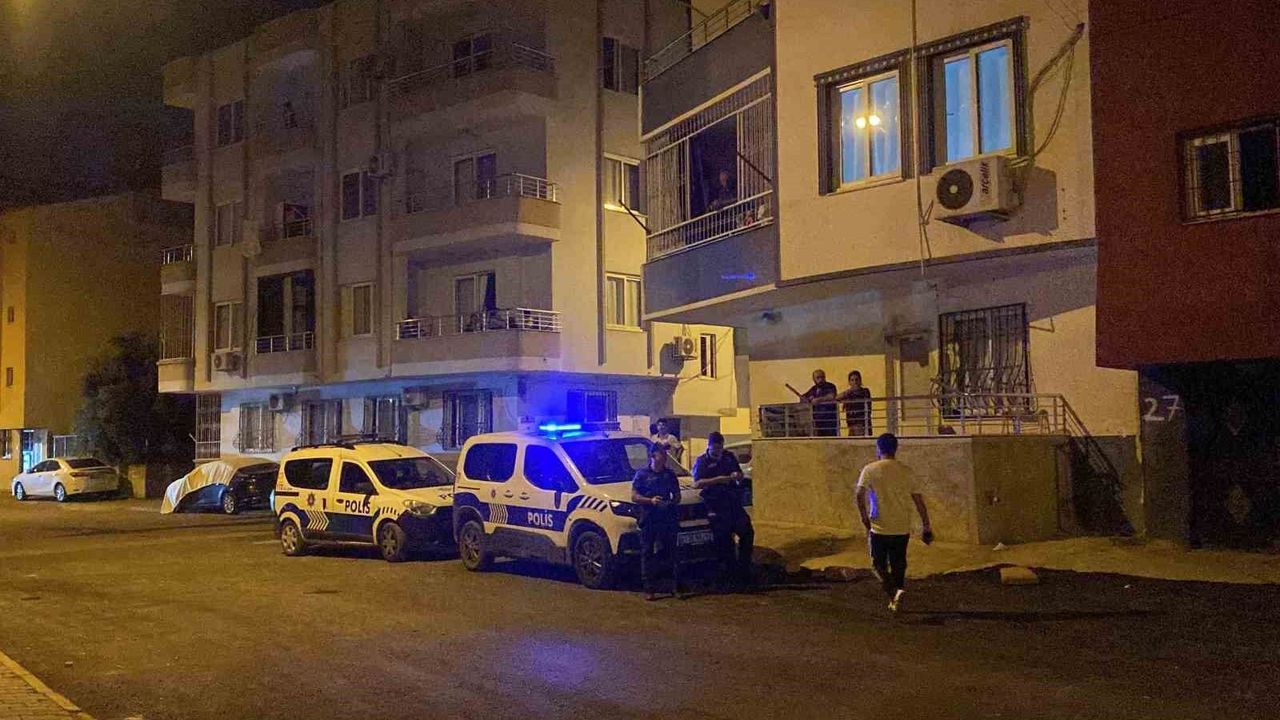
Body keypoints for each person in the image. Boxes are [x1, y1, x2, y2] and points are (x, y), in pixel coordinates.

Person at [855, 433, 933, 613]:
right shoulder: (906, 471)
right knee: (899, 564)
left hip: (879, 526)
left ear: (878, 448)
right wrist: (926, 526)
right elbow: (918, 501)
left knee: (878, 565)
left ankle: (893, 593)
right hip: (901, 526)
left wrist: (864, 517)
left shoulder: (870, 469)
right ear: (896, 449)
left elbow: (859, 494)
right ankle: (896, 597)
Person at [692, 431, 754, 588]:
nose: (717, 451)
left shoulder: (729, 457)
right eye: (714, 448)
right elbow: (697, 483)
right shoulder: (702, 461)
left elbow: (738, 473)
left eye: (719, 448)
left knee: (747, 532)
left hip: (733, 503)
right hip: (715, 505)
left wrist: (737, 475)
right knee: (725, 541)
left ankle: (744, 569)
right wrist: (718, 480)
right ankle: (729, 575)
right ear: (709, 446)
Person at [632, 444, 683, 600]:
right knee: (647, 552)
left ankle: (672, 586)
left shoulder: (669, 474)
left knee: (670, 552)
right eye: (662, 454)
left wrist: (670, 502)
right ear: (653, 456)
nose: (665, 457)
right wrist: (650, 501)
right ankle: (649, 588)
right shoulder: (642, 474)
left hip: (666, 517)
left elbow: (677, 495)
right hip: (648, 517)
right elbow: (634, 496)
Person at [801, 370, 839, 437]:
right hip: (817, 422)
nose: (820, 379)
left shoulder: (830, 386)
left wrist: (818, 400)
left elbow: (831, 396)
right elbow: (803, 397)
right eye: (818, 378)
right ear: (814, 379)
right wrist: (808, 399)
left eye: (822, 377)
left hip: (830, 421)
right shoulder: (813, 389)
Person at [836, 370, 873, 437]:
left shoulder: (865, 391)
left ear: (860, 381)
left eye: (856, 379)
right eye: (852, 380)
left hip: (862, 423)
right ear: (849, 382)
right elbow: (837, 398)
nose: (855, 382)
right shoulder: (848, 393)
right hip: (851, 423)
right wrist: (849, 391)